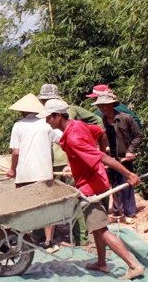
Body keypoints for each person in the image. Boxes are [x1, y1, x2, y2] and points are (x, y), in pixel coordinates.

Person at [38, 99, 145, 280]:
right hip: (93, 179)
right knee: (96, 227)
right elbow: (99, 132)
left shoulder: (73, 138)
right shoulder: (77, 125)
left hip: (90, 186)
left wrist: (128, 175)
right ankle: (102, 263)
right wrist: (79, 163)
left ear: (58, 116)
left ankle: (133, 265)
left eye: (49, 117)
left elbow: (102, 157)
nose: (47, 121)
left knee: (101, 228)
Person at [37, 84, 107, 246]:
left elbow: (97, 125)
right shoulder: (59, 113)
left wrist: (94, 148)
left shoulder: (67, 111)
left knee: (66, 200)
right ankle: (76, 237)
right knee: (68, 200)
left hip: (64, 160)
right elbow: (97, 125)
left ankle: (76, 237)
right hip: (60, 161)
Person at [6, 93, 61, 251]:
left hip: (24, 173)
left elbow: (16, 152)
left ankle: (19, 238)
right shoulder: (46, 124)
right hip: (44, 172)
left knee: (22, 206)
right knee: (45, 207)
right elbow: (63, 140)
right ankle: (48, 242)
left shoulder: (18, 125)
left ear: (22, 111)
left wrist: (12, 169)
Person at [93, 92, 142, 224]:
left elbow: (138, 136)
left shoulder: (125, 118)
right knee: (112, 184)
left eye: (104, 105)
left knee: (126, 183)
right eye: (100, 106)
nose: (102, 109)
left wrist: (130, 151)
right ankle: (117, 211)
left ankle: (129, 213)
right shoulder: (100, 122)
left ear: (111, 105)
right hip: (108, 158)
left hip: (123, 157)